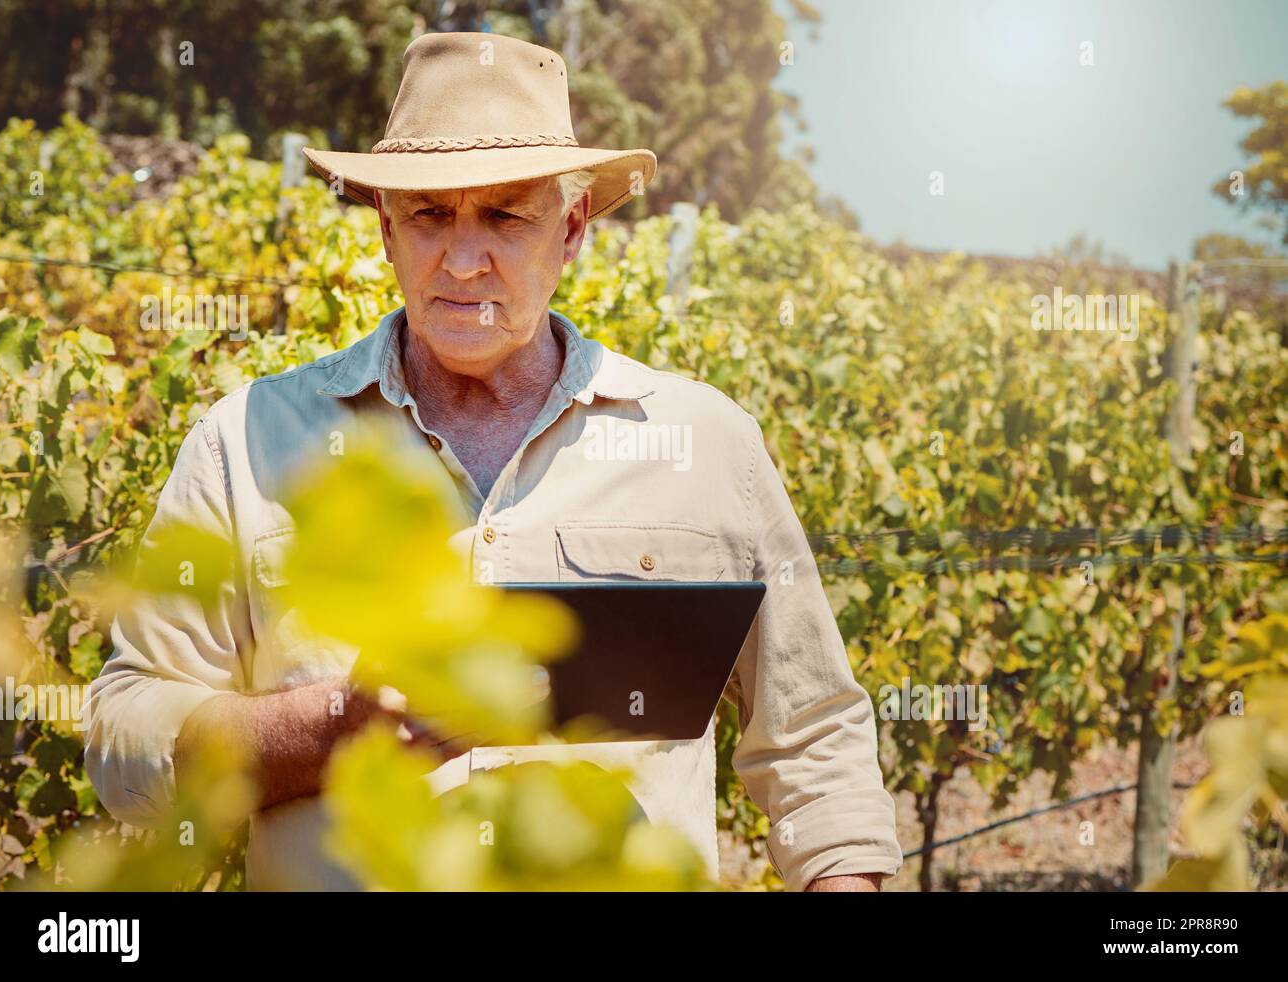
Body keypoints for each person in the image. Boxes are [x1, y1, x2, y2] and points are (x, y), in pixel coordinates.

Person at [84, 30, 902, 892]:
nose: (465, 261)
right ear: (386, 230)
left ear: (572, 229)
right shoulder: (244, 441)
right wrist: (336, 726)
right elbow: (124, 741)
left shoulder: (707, 443)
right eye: (431, 215)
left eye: (508, 215)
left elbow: (815, 735)